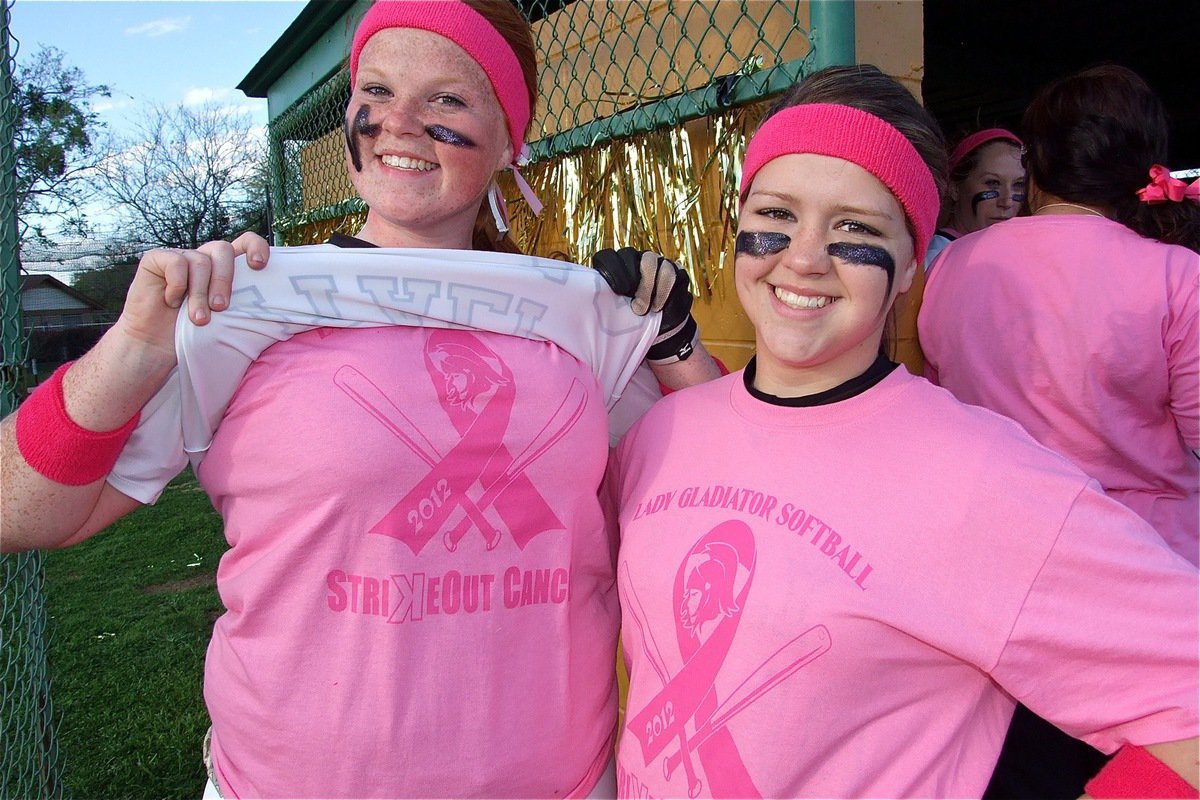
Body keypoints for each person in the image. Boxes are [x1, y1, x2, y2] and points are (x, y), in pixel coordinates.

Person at [1, 1, 721, 797]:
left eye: (446, 100)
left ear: (510, 139)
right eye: (374, 92)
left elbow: (730, 488)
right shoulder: (243, 302)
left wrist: (673, 338)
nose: (399, 123)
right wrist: (135, 349)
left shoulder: (577, 318)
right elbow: (21, 511)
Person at [605, 64, 1198, 799]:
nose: (804, 257)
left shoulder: (982, 480)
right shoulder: (661, 434)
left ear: (915, 263)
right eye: (777, 215)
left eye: (855, 228)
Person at [918, 64, 1200, 799]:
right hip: (1146, 587)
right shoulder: (1176, 277)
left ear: (1037, 163)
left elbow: (945, 398)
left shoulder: (953, 270)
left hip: (993, 578)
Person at [924, 127, 1025, 270]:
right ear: (955, 188)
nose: (1007, 202)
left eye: (1018, 185)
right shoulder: (934, 260)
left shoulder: (1016, 254)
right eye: (992, 183)